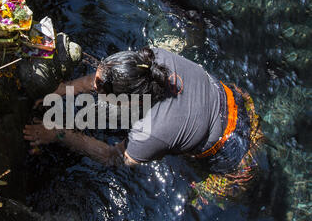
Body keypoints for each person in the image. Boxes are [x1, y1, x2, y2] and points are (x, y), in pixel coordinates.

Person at [23, 47, 264, 208]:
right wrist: (63, 89)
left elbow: (112, 157)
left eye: (101, 90)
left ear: (131, 100)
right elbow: (104, 77)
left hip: (236, 157)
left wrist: (58, 134)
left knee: (194, 200)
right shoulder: (152, 59)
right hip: (240, 102)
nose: (94, 88)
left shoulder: (149, 132)